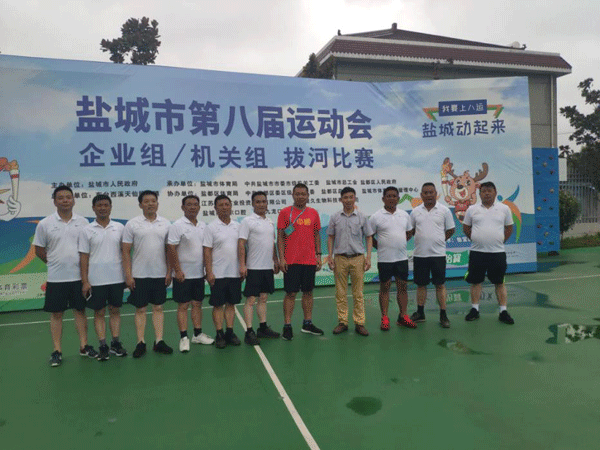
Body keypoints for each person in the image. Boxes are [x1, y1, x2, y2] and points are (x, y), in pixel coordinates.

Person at [33, 185, 96, 367]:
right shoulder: (45, 224)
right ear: (55, 201)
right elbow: (39, 250)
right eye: (60, 198)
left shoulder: (83, 222)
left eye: (68, 197)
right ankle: (57, 351)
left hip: (79, 277)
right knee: (57, 314)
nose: (65, 200)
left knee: (80, 311)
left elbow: (87, 249)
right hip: (56, 278)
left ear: (73, 200)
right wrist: (54, 263)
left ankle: (84, 346)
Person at [122, 190, 173, 358]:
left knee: (158, 307)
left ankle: (159, 341)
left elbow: (169, 250)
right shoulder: (132, 224)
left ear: (157, 203)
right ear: (140, 204)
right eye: (146, 201)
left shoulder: (166, 223)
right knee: (141, 309)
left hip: (160, 274)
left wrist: (169, 272)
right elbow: (126, 251)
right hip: (139, 274)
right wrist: (128, 275)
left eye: (153, 201)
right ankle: (140, 342)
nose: (150, 204)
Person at [79, 194, 128, 361]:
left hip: (117, 278)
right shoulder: (87, 230)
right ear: (93, 208)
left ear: (111, 207)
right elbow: (84, 257)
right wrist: (85, 281)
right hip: (96, 280)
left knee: (115, 310)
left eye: (106, 205)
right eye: (99, 205)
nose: (103, 208)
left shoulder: (120, 227)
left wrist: (127, 275)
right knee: (99, 312)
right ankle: (102, 345)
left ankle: (115, 343)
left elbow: (125, 253)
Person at [167, 195, 214, 353]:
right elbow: (171, 249)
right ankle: (184, 338)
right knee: (183, 305)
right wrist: (177, 270)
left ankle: (197, 334)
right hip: (182, 275)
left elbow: (206, 249)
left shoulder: (203, 226)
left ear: (199, 207)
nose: (192, 207)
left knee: (197, 304)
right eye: (189, 204)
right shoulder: (177, 226)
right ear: (183, 207)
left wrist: (207, 269)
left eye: (195, 204)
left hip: (199, 274)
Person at [462, 181, 515, 324]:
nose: (486, 193)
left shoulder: (504, 209)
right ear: (479, 194)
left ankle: (503, 311)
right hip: (477, 252)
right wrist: (476, 238)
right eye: (484, 191)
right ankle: (475, 309)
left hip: (497, 253)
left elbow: (509, 228)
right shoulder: (472, 209)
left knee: (499, 282)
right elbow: (466, 228)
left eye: (489, 191)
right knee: (475, 282)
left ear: (495, 193)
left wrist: (500, 241)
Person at [277, 183, 324, 341]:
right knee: (291, 293)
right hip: (291, 261)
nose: (300, 196)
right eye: (297, 194)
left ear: (308, 196)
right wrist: (282, 258)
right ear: (292, 195)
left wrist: (318, 255)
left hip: (309, 260)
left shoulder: (313, 213)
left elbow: (316, 235)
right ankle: (287, 325)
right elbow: (280, 237)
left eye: (303, 194)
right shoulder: (285, 213)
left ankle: (307, 323)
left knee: (308, 292)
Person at [326, 187, 373, 336]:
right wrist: (329, 256)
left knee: (358, 293)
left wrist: (368, 257)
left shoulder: (362, 217)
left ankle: (359, 323)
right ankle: (343, 322)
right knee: (340, 292)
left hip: (358, 258)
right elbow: (330, 237)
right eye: (345, 197)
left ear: (355, 198)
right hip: (340, 258)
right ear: (341, 200)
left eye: (351, 197)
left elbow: (369, 237)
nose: (348, 200)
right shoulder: (335, 217)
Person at [369, 186, 416, 331]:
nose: (391, 198)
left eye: (394, 196)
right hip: (384, 259)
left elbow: (409, 232)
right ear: (383, 199)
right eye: (388, 196)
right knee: (385, 288)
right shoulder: (376, 216)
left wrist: (400, 243)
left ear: (398, 198)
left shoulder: (404, 215)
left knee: (403, 287)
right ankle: (384, 317)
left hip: (401, 258)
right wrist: (381, 246)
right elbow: (370, 236)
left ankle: (403, 316)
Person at [409, 183, 455, 328]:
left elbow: (450, 230)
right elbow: (412, 230)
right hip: (420, 255)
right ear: (421, 195)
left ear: (436, 194)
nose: (428, 195)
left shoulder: (444, 211)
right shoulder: (415, 212)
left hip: (438, 255)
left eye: (431, 192)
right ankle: (420, 313)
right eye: (425, 193)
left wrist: (439, 240)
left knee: (440, 285)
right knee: (421, 285)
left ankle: (443, 314)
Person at [238, 191, 281, 345]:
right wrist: (242, 264)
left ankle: (262, 328)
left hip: (267, 267)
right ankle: (249, 332)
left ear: (267, 203)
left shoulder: (269, 222)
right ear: (252, 204)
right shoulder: (247, 221)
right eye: (258, 202)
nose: (261, 204)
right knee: (251, 300)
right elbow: (241, 244)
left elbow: (272, 243)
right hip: (253, 267)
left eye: (264, 201)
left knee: (263, 298)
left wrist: (275, 260)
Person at [203, 194, 242, 349]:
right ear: (215, 208)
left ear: (231, 206)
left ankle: (229, 332)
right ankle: (219, 333)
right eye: (221, 205)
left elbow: (242, 249)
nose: (224, 207)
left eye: (227, 204)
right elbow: (207, 251)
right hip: (217, 273)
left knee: (231, 304)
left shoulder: (237, 226)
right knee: (218, 305)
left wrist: (242, 267)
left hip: (234, 273)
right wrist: (209, 272)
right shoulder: (211, 227)